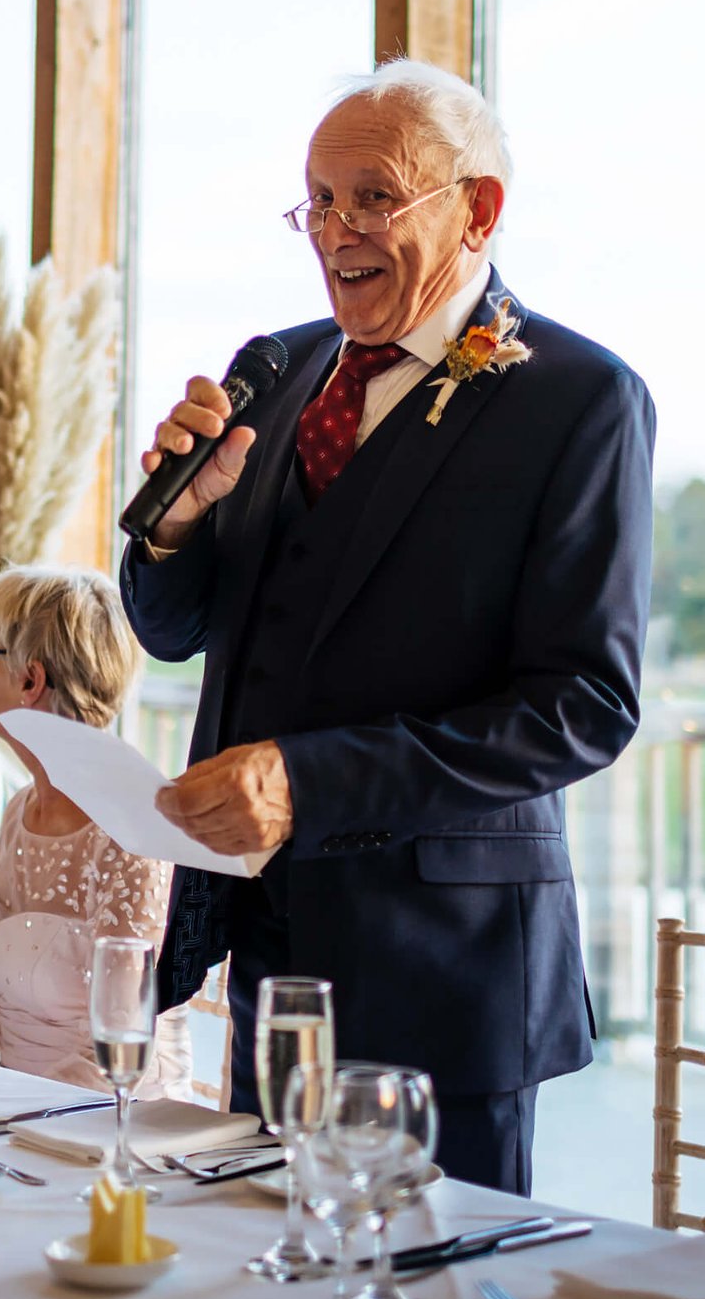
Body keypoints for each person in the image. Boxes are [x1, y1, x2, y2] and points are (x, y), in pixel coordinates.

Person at [123, 58, 654, 1196]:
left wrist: (311, 779)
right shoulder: (280, 368)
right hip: (265, 943)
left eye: (372, 196)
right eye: (317, 199)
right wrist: (174, 529)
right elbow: (181, 632)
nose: (334, 229)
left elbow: (583, 706)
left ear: (479, 208)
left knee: (426, 1296)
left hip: (442, 965)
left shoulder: (577, 398)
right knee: (266, 1268)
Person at [0, 566, 191, 1093]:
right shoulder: (20, 813)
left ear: (30, 679)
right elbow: (6, 1014)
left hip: (108, 1128)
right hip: (17, 1120)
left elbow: (123, 1049)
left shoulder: (132, 835)